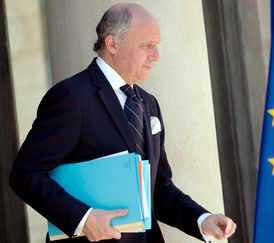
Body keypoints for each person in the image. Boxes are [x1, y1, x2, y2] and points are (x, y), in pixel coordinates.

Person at [9, 3, 236, 243]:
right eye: (146, 46)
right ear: (112, 44)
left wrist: (202, 219)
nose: (156, 56)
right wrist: (84, 219)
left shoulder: (149, 104)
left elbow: (158, 189)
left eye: (156, 45)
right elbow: (25, 174)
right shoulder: (71, 97)